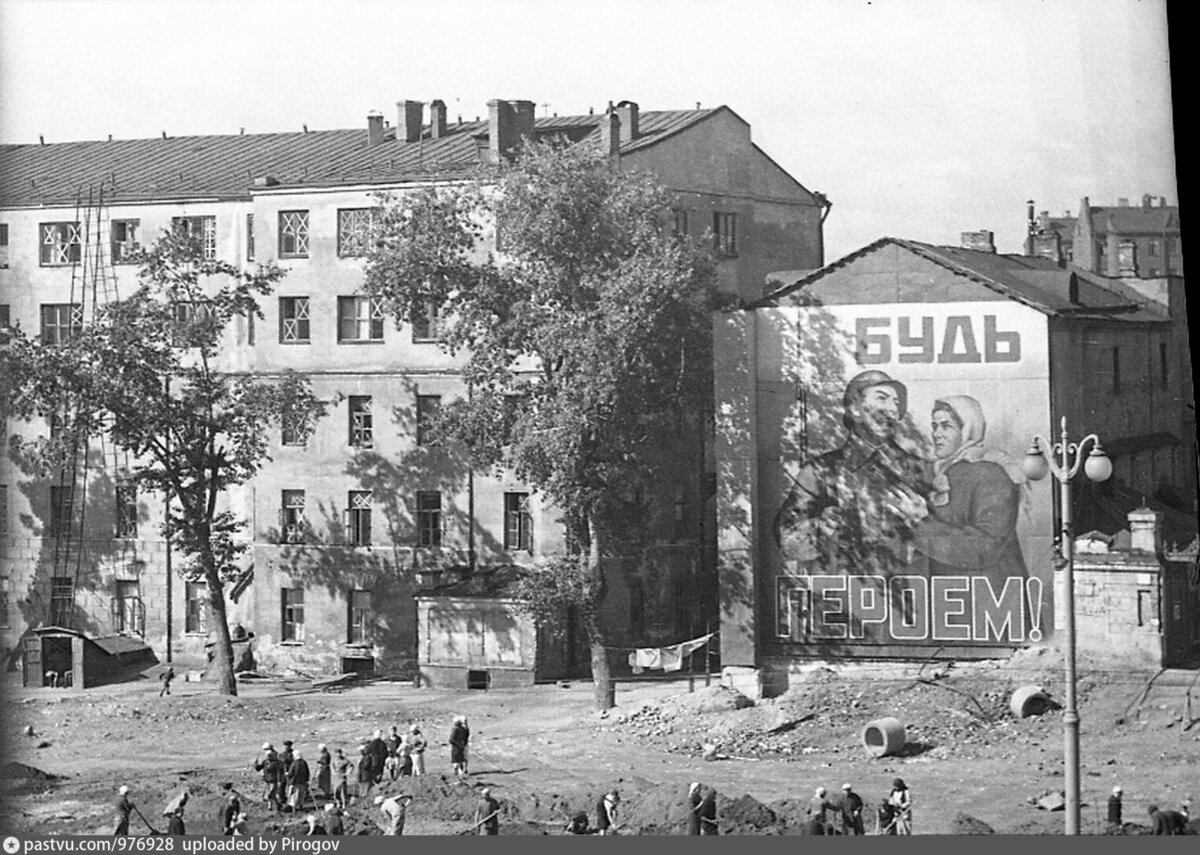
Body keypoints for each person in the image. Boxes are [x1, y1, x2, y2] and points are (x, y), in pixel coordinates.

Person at [774, 370, 931, 581]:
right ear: (854, 409)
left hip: (905, 599)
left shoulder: (917, 470)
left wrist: (923, 523)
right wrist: (822, 528)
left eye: (896, 403)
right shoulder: (820, 471)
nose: (892, 409)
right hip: (844, 600)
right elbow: (787, 543)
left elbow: (951, 550)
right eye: (882, 398)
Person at [911, 396, 1028, 592]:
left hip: (989, 595)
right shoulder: (939, 474)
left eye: (946, 426)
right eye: (935, 426)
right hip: (950, 596)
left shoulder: (990, 475)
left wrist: (916, 526)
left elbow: (985, 546)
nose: (936, 434)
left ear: (967, 431)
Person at [255, 742, 282, 811]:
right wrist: (256, 765)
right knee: (271, 795)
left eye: (270, 756)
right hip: (267, 780)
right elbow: (259, 768)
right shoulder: (265, 762)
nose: (268, 757)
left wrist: (279, 781)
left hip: (274, 780)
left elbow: (279, 772)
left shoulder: (276, 763)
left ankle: (276, 804)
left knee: (270, 794)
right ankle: (272, 806)